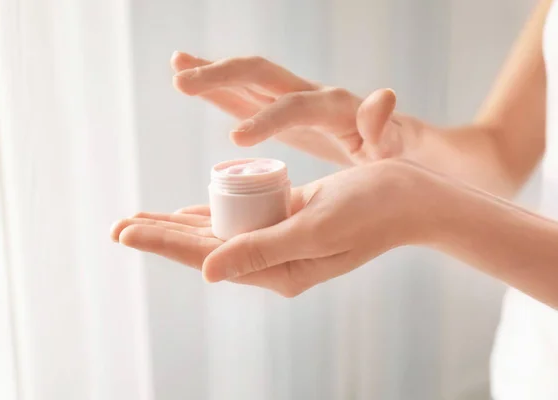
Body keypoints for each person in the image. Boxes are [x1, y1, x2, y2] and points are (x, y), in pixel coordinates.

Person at [111, 0, 557, 397]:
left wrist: (417, 204)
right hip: (531, 363)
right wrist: (403, 146)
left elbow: (432, 198)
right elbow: (499, 155)